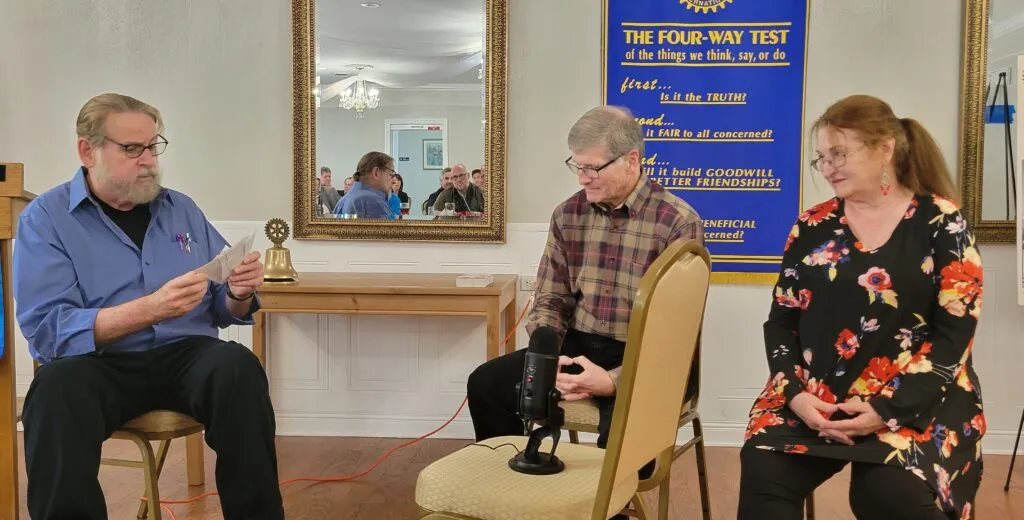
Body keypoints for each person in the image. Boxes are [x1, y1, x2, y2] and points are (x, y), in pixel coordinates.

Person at [13, 93, 283, 519]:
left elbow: (220, 306)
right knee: (54, 391)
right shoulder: (45, 219)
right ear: (87, 151)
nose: (149, 161)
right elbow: (48, 330)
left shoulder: (182, 209)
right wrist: (151, 309)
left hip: (185, 356)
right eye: (132, 148)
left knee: (238, 368)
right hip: (99, 363)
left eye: (153, 146)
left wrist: (239, 292)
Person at [739, 95, 984, 520]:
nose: (828, 167)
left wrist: (887, 410)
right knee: (764, 468)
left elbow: (954, 336)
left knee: (884, 492)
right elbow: (781, 322)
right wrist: (795, 396)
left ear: (885, 148)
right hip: (818, 398)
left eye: (839, 153)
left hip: (917, 399)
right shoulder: (812, 225)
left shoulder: (943, 223)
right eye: (822, 158)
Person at [466, 106, 703, 493]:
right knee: (487, 384)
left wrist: (611, 382)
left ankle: (610, 508)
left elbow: (674, 337)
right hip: (576, 346)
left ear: (631, 160)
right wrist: (547, 361)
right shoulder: (568, 214)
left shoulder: (677, 222)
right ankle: (510, 497)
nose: (581, 177)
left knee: (625, 447)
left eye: (592, 168)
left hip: (645, 356)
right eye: (576, 166)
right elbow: (551, 297)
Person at [333, 151, 397, 219]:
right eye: (391, 174)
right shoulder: (372, 200)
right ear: (376, 172)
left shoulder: (346, 198)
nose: (393, 180)